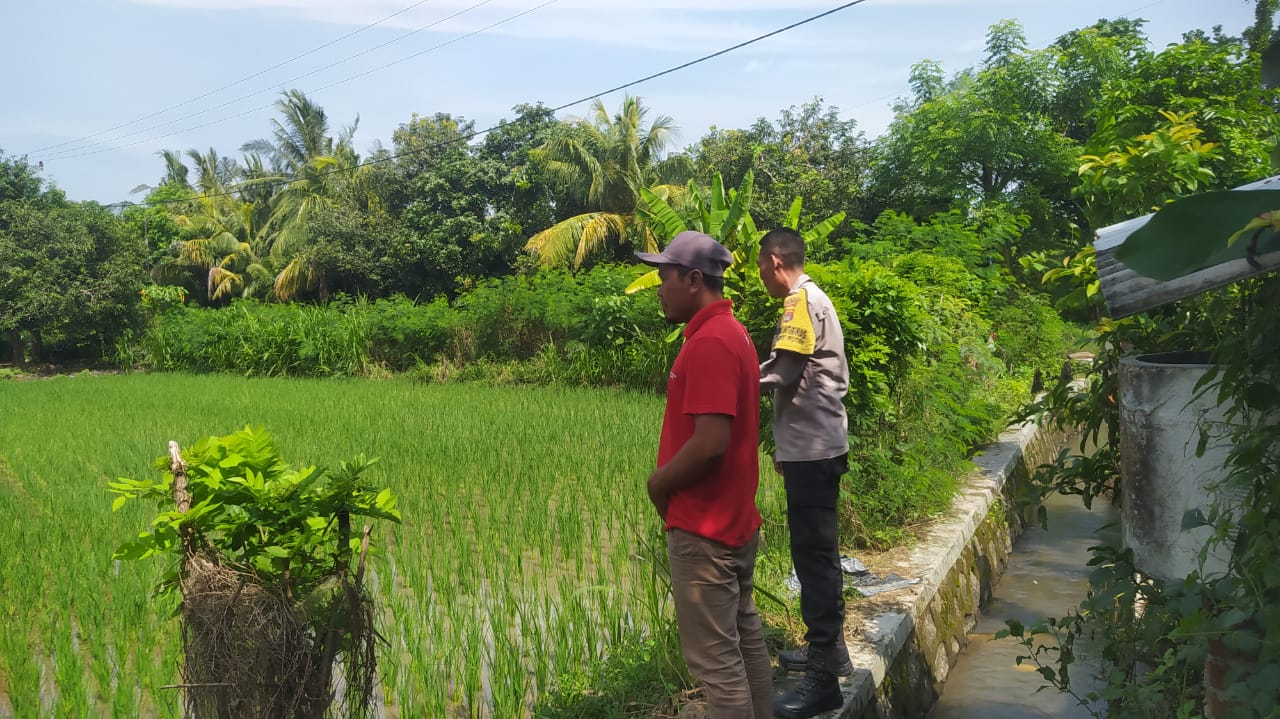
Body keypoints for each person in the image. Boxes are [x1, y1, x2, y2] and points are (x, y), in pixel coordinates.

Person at [637, 230, 773, 719]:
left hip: (705, 527)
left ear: (693, 280)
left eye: (664, 277)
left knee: (717, 665)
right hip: (732, 520)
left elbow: (711, 443)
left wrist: (658, 485)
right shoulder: (731, 331)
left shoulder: (712, 341)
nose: (658, 287)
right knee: (744, 638)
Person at [757, 227, 852, 719]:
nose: (760, 277)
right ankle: (831, 651)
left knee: (813, 557)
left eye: (759, 266)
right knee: (818, 553)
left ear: (775, 261)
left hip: (813, 452)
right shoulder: (816, 298)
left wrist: (735, 377)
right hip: (814, 446)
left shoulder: (798, 302)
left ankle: (822, 681)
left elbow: (785, 371)